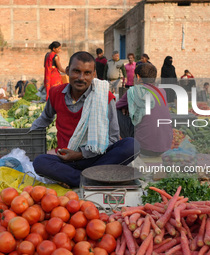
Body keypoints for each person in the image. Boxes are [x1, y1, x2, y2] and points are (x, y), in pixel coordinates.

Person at [31, 51, 139, 187]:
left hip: (98, 158)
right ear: (68, 71)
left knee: (131, 145)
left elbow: (113, 138)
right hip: (66, 159)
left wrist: (81, 154)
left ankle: (77, 179)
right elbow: (44, 119)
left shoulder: (104, 96)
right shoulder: (56, 93)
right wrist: (26, 134)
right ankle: (92, 179)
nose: (81, 78)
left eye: (87, 73)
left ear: (94, 75)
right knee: (40, 162)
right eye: (76, 71)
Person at [116, 63, 173, 156]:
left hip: (144, 148)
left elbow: (115, 107)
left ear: (138, 77)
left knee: (115, 112)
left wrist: (125, 107)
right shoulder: (162, 92)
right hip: (165, 147)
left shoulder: (133, 91)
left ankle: (123, 144)